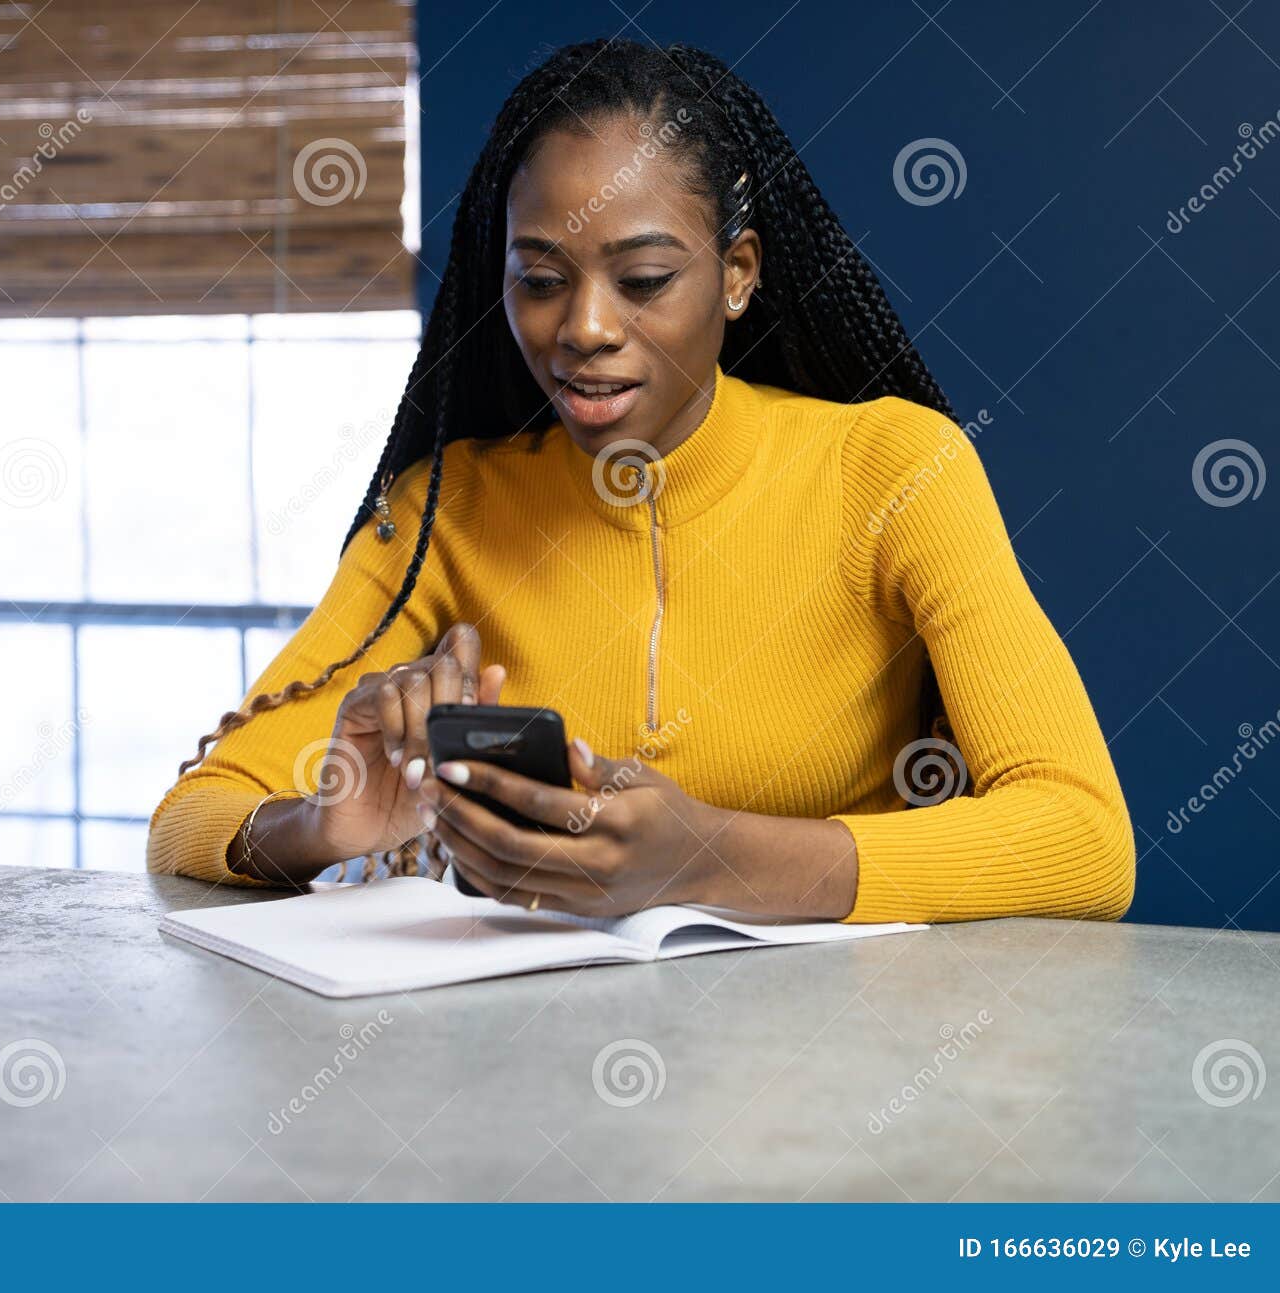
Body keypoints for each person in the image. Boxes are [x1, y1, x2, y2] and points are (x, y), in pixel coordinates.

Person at [146, 38, 1134, 924]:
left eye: (644, 280)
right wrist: (321, 822)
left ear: (738, 272)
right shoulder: (445, 510)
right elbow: (192, 818)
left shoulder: (894, 470)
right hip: (527, 1077)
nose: (582, 328)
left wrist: (708, 862)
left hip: (835, 1078)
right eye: (539, 279)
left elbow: (1084, 840)